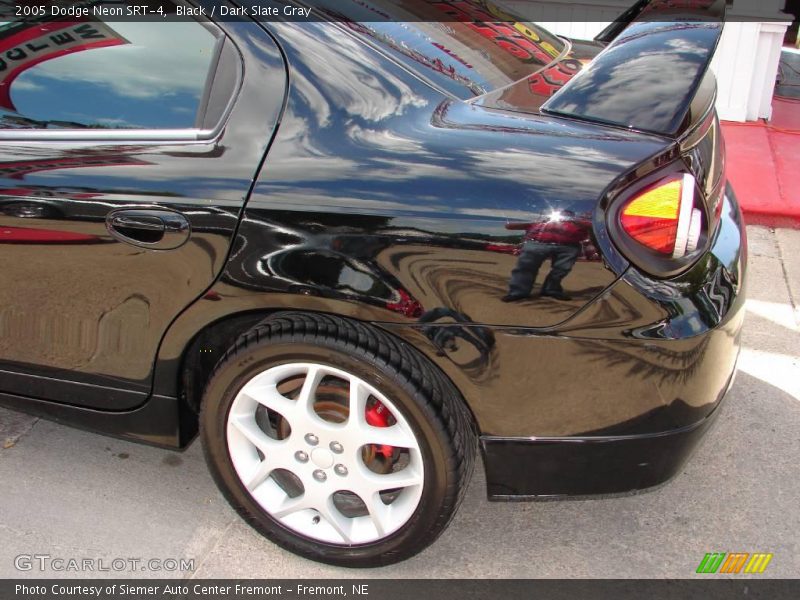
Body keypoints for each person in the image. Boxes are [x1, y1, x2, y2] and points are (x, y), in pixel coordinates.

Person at [501, 210, 591, 302]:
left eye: (568, 215)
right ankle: (518, 292)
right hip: (538, 243)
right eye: (562, 214)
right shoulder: (542, 222)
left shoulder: (579, 223)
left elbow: (591, 226)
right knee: (526, 267)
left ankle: (551, 289)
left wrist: (576, 222)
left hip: (569, 246)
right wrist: (536, 222)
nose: (564, 217)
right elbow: (509, 226)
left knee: (562, 269)